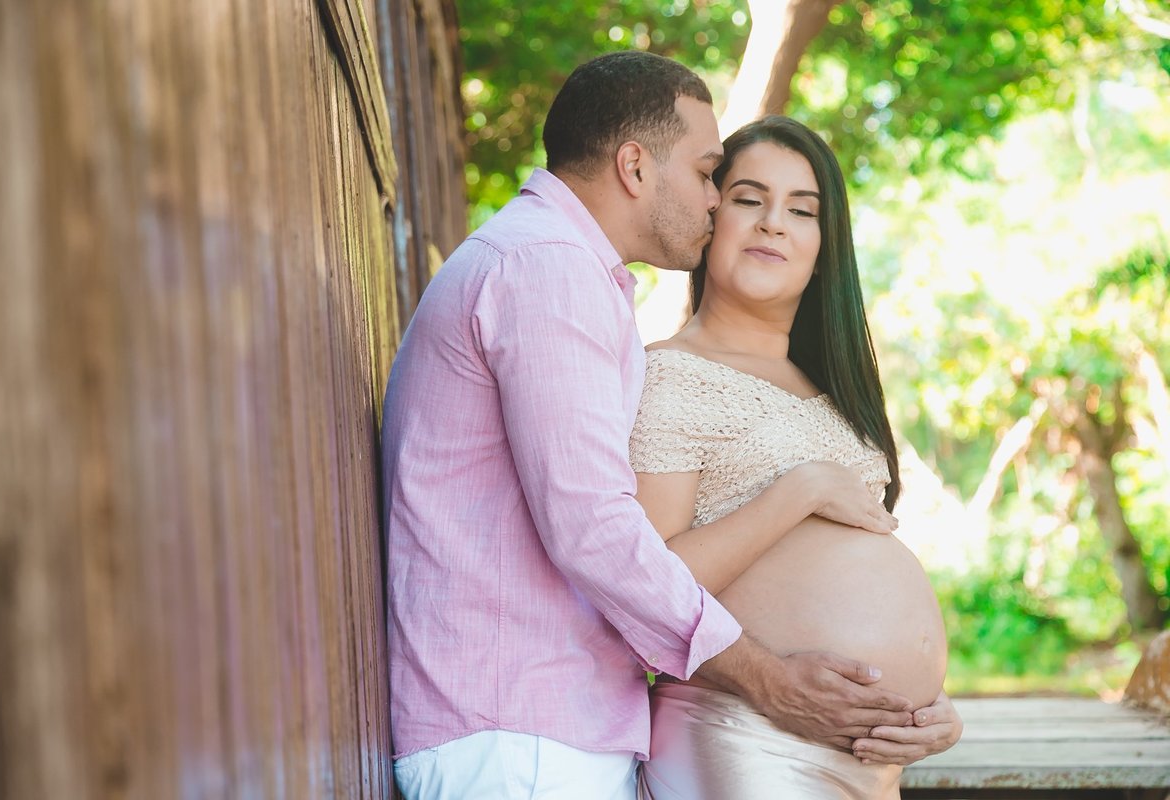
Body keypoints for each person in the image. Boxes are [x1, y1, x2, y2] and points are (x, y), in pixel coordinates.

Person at [383, 52, 954, 800]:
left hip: (557, 728)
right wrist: (767, 678)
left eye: (802, 209)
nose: (714, 201)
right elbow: (597, 533)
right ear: (634, 167)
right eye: (711, 175)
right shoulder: (547, 270)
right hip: (520, 734)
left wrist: (920, 700)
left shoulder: (569, 274)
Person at [630, 115, 958, 799]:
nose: (774, 223)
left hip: (871, 758)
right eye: (749, 199)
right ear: (710, 216)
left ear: (823, 244)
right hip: (749, 738)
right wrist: (798, 491)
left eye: (802, 210)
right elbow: (646, 587)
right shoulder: (670, 376)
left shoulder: (835, 395)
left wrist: (932, 708)